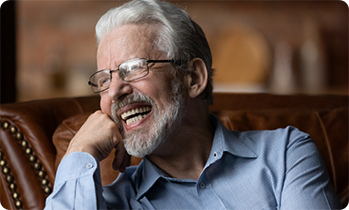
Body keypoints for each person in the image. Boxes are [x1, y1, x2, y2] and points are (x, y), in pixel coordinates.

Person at [44, 0, 342, 209]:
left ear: (193, 78)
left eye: (133, 68)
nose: (116, 91)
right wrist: (79, 151)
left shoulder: (286, 155)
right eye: (104, 79)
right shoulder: (114, 203)